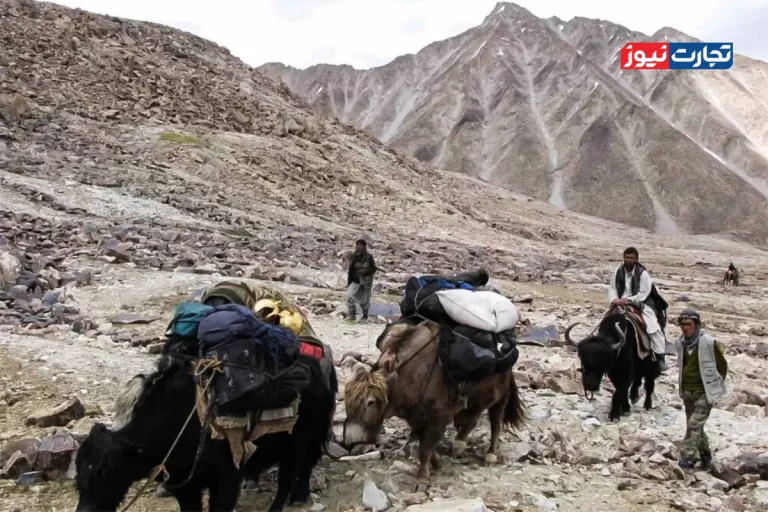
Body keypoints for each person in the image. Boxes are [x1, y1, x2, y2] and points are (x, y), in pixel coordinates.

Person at [676, 309, 727, 470]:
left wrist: (714, 385)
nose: (685, 328)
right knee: (696, 426)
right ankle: (705, 454)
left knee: (693, 424)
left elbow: (722, 366)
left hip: (704, 392)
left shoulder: (709, 342)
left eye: (688, 324)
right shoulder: (680, 343)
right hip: (687, 391)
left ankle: (687, 457)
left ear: (696, 325)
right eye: (683, 325)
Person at [608, 247, 669, 368]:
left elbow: (644, 293)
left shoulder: (642, 273)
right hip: (620, 302)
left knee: (653, 327)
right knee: (605, 321)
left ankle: (659, 356)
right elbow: (612, 288)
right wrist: (615, 299)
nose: (629, 260)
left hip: (641, 303)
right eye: (627, 257)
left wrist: (627, 300)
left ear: (636, 259)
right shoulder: (618, 271)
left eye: (631, 258)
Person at [345, 237, 378, 323]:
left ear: (364, 246)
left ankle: (365, 316)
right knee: (349, 296)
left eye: (360, 245)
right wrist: (349, 282)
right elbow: (350, 270)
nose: (358, 247)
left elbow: (374, 268)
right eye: (357, 245)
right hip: (354, 281)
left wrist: (364, 272)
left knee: (365, 300)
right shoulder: (354, 256)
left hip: (364, 282)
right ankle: (352, 316)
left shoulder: (369, 257)